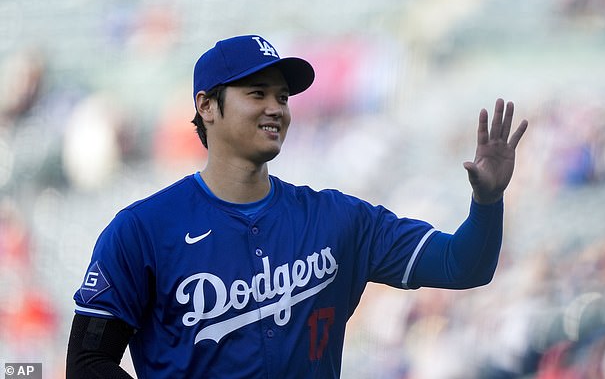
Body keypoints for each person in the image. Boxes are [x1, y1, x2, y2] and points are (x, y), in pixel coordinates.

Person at [66, 34, 528, 378]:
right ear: (207, 106)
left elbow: (462, 265)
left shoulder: (338, 219)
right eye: (257, 94)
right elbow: (88, 361)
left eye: (283, 97)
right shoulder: (142, 230)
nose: (277, 109)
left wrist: (487, 202)